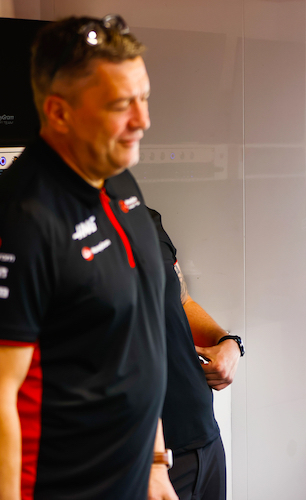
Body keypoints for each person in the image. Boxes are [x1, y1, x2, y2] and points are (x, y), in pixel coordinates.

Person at [0, 15, 176, 500]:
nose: (143, 120)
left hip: (135, 477)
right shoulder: (24, 217)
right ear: (59, 113)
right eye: (122, 105)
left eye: (145, 97)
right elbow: (1, 397)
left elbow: (139, 336)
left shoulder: (118, 180)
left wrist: (157, 463)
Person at [148, 207, 242, 500]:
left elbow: (181, 299)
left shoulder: (141, 215)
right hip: (152, 457)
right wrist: (152, 464)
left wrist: (226, 341)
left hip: (204, 437)